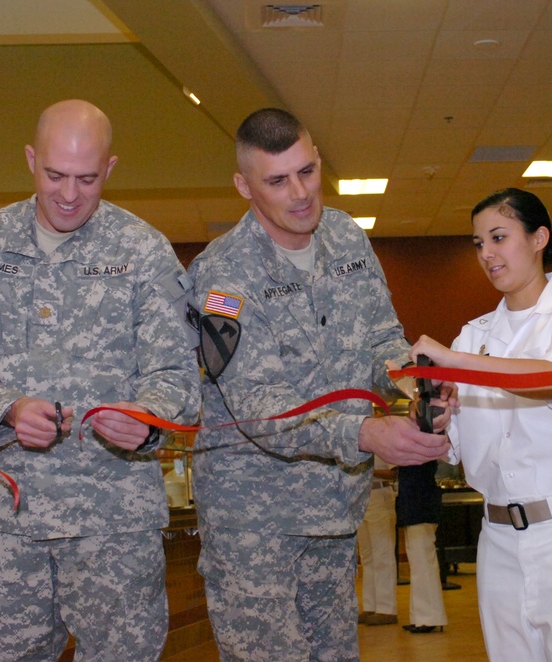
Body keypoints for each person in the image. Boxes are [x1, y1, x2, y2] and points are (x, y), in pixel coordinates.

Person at [0, 99, 202, 660]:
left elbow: (177, 376)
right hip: (8, 521)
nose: (69, 194)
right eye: (55, 175)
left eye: (86, 178)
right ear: (30, 160)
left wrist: (148, 421)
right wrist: (4, 408)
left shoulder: (144, 251)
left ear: (111, 169)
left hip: (114, 524)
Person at [187, 107, 451, 661]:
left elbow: (382, 338)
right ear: (244, 185)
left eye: (307, 171)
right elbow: (260, 408)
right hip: (253, 521)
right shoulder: (222, 275)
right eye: (278, 181)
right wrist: (366, 434)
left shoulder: (346, 237)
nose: (301, 192)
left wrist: (416, 381)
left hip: (334, 507)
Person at [410, 188, 552, 661]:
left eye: (498, 237)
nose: (487, 254)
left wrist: (457, 364)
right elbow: (451, 444)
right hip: (499, 540)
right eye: (478, 244)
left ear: (539, 238)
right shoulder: (474, 335)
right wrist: (435, 415)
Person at [396, 460, 448, 634]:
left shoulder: (422, 446)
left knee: (423, 564)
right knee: (419, 564)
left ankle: (430, 617)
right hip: (414, 507)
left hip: (420, 507)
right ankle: (420, 617)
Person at [357, 457, 399, 626]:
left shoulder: (385, 438)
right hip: (361, 498)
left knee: (383, 554)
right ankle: (370, 606)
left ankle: (386, 608)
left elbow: (394, 473)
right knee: (366, 557)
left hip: (380, 494)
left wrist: (367, 472)